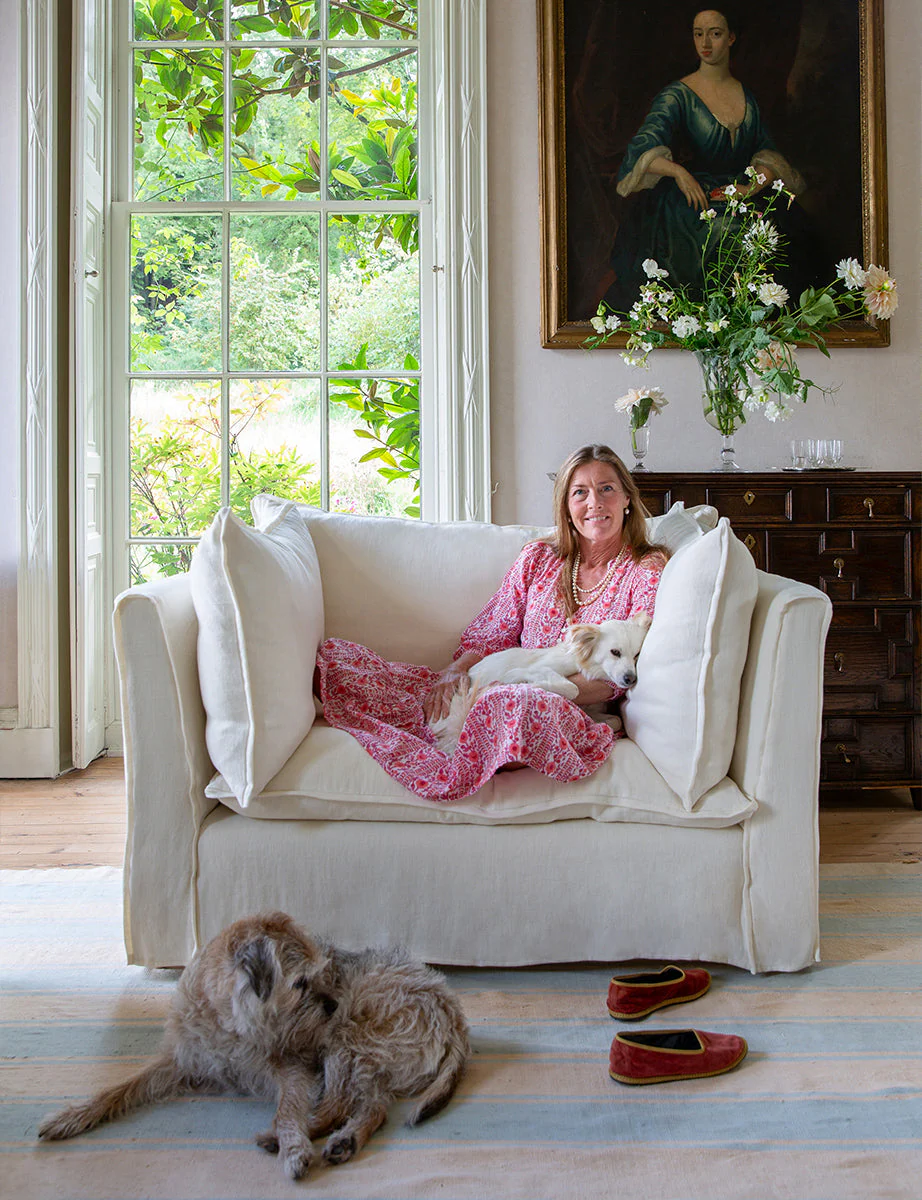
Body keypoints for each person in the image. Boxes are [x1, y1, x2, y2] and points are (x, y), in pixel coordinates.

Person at [314, 445, 666, 803]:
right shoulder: (539, 558)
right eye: (580, 492)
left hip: (560, 704)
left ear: (626, 498)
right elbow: (493, 634)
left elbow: (630, 667)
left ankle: (485, 736)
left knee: (512, 705)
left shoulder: (646, 568)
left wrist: (542, 690)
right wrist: (454, 674)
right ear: (566, 506)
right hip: (501, 679)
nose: (594, 503)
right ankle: (469, 729)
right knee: (341, 661)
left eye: (606, 488)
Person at [604, 6, 825, 312]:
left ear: (731, 38)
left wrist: (750, 188)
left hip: (741, 194)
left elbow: (767, 153)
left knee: (787, 243)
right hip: (693, 200)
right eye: (699, 34)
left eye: (715, 34)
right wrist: (680, 174)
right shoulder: (677, 95)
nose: (705, 43)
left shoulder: (747, 96)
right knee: (713, 237)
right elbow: (642, 148)